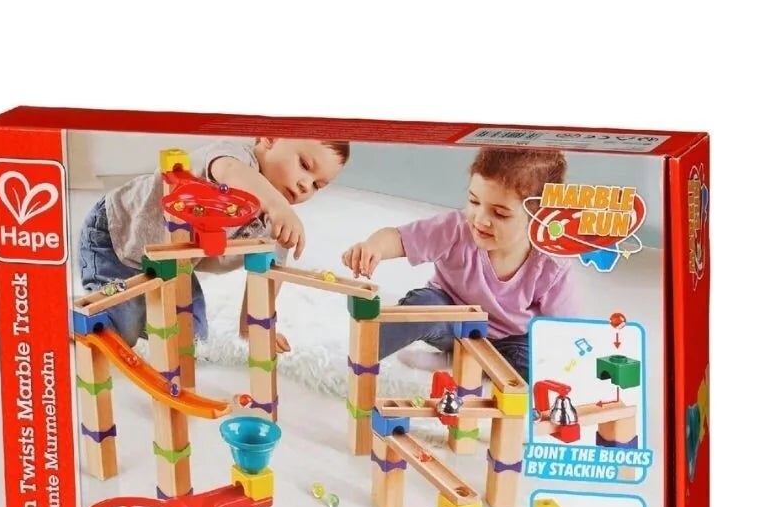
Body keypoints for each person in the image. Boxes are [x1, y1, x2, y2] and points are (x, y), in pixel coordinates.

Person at [78, 137, 348, 352]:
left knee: (192, 338)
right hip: (118, 236)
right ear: (270, 138)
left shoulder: (277, 220)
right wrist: (277, 205)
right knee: (119, 328)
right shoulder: (234, 157)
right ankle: (74, 315)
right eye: (304, 165)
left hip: (173, 266)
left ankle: (144, 313)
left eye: (318, 185)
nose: (306, 185)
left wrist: (252, 328)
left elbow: (267, 272)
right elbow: (228, 171)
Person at [341, 148, 576, 378]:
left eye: (500, 214)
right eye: (474, 201)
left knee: (535, 364)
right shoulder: (456, 228)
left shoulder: (551, 265)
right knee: (422, 305)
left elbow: (564, 329)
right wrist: (373, 247)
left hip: (506, 343)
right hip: (451, 322)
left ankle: (456, 362)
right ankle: (357, 358)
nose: (480, 219)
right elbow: (400, 238)